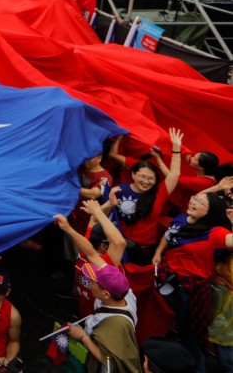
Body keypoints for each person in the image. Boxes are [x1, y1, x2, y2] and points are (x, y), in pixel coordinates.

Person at [151, 191, 233, 373]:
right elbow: (168, 235)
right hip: (171, 281)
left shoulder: (215, 232)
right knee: (178, 325)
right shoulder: (182, 219)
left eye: (199, 201)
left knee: (190, 334)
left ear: (211, 211)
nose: (193, 201)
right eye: (194, 197)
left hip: (190, 291)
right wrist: (158, 253)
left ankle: (199, 368)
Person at [104, 128, 184, 265]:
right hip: (119, 242)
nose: (146, 182)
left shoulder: (159, 193)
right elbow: (106, 214)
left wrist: (176, 148)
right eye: (142, 176)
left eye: (151, 179)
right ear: (133, 174)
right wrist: (109, 201)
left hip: (143, 249)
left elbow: (174, 175)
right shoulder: (120, 190)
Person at [66, 263, 139, 373]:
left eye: (92, 282)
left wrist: (82, 337)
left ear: (105, 294)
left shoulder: (117, 326)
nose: (89, 283)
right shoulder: (125, 293)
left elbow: (109, 360)